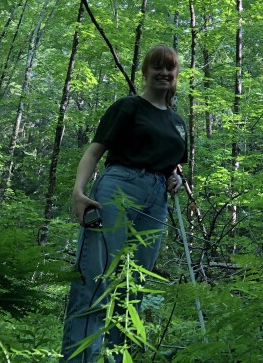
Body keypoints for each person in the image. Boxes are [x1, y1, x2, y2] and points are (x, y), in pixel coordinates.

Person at [61, 44, 188, 362]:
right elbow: (94, 151)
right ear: (144, 72)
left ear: (176, 75)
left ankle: (117, 357)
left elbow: (172, 163)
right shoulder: (128, 107)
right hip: (119, 189)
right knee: (97, 277)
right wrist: (78, 191)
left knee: (132, 286)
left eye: (170, 68)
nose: (164, 72)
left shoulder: (177, 121)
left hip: (156, 200)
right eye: (157, 66)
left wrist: (177, 178)